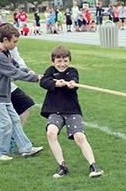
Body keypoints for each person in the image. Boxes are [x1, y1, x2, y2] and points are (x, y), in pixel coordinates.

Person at [39, 46, 103, 178]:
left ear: (69, 60)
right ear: (53, 61)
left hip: (72, 110)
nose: (62, 64)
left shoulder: (72, 71)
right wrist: (56, 84)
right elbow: (44, 82)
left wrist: (71, 83)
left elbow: (74, 80)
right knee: (51, 133)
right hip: (55, 110)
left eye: (65, 61)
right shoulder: (50, 71)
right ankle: (62, 166)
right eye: (59, 61)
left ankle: (93, 166)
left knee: (79, 137)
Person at [0, 23, 43, 161]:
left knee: (15, 120)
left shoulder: (6, 52)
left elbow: (16, 67)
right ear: (5, 40)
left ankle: (26, 149)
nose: (16, 45)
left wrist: (31, 72)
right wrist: (35, 78)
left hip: (4, 93)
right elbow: (15, 73)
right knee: (6, 123)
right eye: (14, 42)